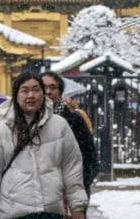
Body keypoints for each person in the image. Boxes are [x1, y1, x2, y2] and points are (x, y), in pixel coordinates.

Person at [0, 71, 87, 219]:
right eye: (25, 90)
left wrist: (77, 207)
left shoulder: (59, 125)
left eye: (36, 90)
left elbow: (72, 170)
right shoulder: (1, 129)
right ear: (16, 94)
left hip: (50, 211)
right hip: (12, 211)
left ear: (42, 94)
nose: (30, 95)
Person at [42, 72, 99, 202]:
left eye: (53, 88)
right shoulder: (27, 121)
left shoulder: (74, 120)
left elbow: (90, 157)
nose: (48, 92)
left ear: (60, 92)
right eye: (44, 87)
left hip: (69, 194)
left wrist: (79, 186)